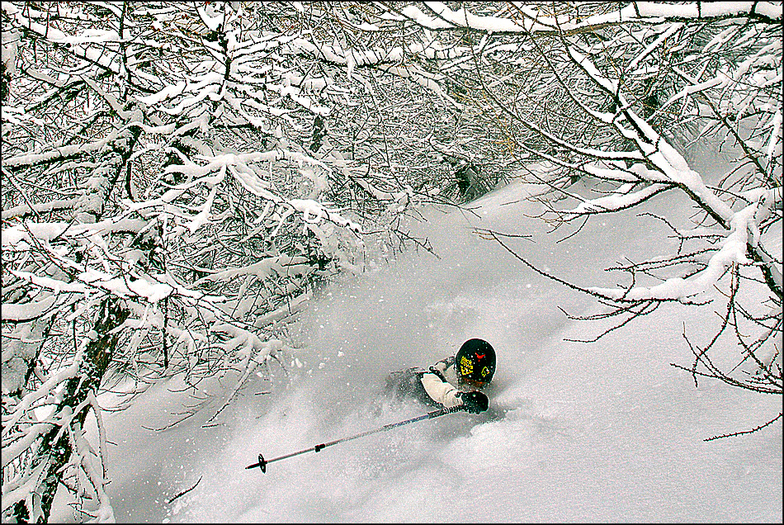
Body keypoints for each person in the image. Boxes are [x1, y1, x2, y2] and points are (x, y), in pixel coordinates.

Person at [384, 338, 495, 413]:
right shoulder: (432, 380)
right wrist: (464, 399)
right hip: (400, 389)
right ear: (459, 374)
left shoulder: (478, 372)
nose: (474, 388)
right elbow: (444, 394)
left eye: (480, 384)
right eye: (470, 382)